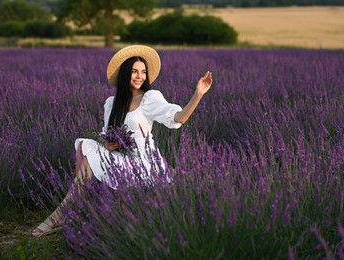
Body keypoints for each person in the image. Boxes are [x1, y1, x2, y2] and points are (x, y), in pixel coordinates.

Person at [31, 45, 213, 237]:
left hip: (143, 162)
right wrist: (108, 143)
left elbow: (179, 118)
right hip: (119, 156)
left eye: (143, 72)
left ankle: (65, 214)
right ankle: (72, 208)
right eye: (134, 71)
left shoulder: (150, 98)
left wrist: (198, 94)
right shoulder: (111, 102)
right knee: (84, 147)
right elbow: (107, 133)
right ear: (125, 73)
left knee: (88, 159)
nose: (139, 76)